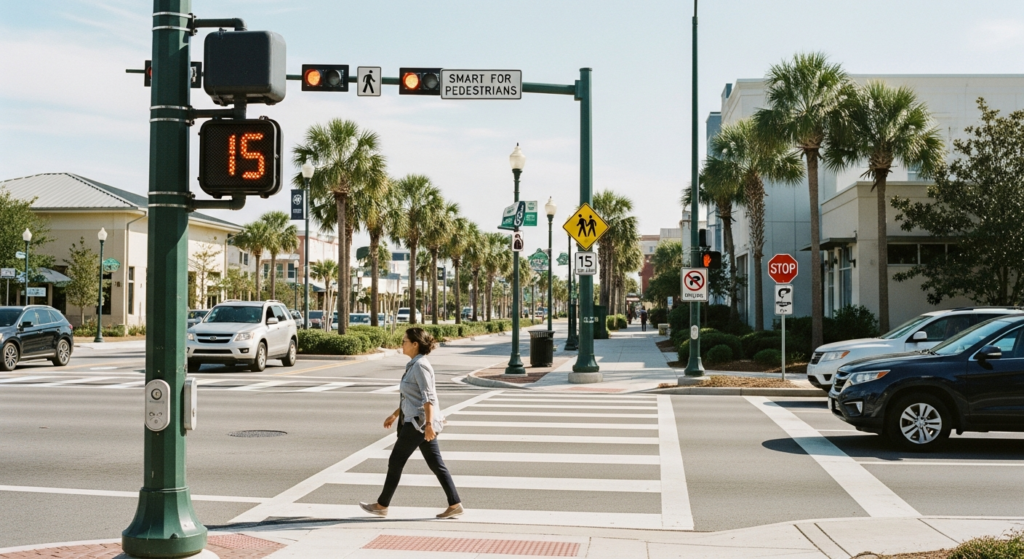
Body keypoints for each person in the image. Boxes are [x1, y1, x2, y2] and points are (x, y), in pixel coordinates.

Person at [359, 328, 463, 519]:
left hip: (418, 424)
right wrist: (394, 414)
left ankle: (382, 505)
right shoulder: (414, 364)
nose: (402, 343)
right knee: (436, 464)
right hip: (419, 422)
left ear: (415, 344)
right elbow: (411, 397)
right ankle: (455, 503)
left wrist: (430, 424)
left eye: (405, 341)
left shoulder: (420, 366)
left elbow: (428, 397)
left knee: (396, 461)